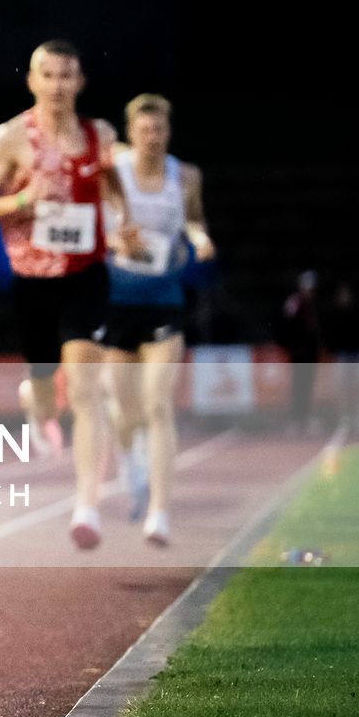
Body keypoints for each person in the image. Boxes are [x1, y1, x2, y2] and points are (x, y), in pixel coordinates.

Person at [0, 41, 134, 550]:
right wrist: (21, 199)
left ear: (80, 82)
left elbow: (117, 189)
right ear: (32, 81)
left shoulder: (98, 135)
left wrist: (123, 224)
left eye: (67, 76)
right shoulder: (12, 138)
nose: (58, 85)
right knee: (43, 383)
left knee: (86, 391)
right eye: (48, 75)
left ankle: (87, 506)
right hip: (34, 281)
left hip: (86, 273)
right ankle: (36, 407)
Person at [98, 94, 214, 547]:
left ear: (168, 131)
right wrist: (116, 242)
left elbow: (196, 222)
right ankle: (133, 463)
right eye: (144, 130)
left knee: (158, 404)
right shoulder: (114, 169)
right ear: (132, 131)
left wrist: (201, 240)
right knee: (124, 411)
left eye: (160, 130)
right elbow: (97, 227)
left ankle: (160, 512)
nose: (153, 138)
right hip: (116, 300)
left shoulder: (184, 176)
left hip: (164, 299)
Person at [325, 280, 359, 436]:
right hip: (344, 355)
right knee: (343, 386)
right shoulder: (335, 314)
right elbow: (331, 336)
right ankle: (345, 418)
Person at [277, 270, 324, 433]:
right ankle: (297, 419)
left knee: (307, 386)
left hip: (309, 353)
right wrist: (292, 346)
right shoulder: (295, 302)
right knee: (298, 386)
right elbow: (287, 324)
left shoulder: (314, 304)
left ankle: (305, 417)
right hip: (299, 352)